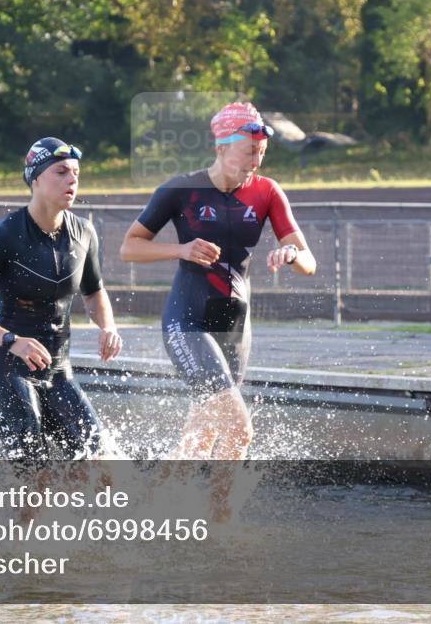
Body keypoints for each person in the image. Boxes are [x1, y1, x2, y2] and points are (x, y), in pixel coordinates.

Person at [120, 102, 316, 464]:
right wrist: (181, 249)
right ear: (221, 147)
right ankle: (219, 520)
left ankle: (165, 504)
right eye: (248, 153)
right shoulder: (181, 190)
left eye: (260, 153)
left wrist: (290, 254)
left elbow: (308, 262)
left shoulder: (267, 192)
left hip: (236, 330)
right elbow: (129, 248)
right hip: (188, 322)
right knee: (240, 428)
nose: (254, 162)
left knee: (202, 438)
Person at [0, 137, 122, 465]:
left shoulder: (84, 232)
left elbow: (93, 291)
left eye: (76, 173)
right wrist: (11, 340)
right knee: (36, 474)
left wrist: (108, 326)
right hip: (8, 366)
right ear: (36, 178)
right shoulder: (5, 235)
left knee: (99, 465)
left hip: (59, 369)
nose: (72, 180)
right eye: (61, 172)